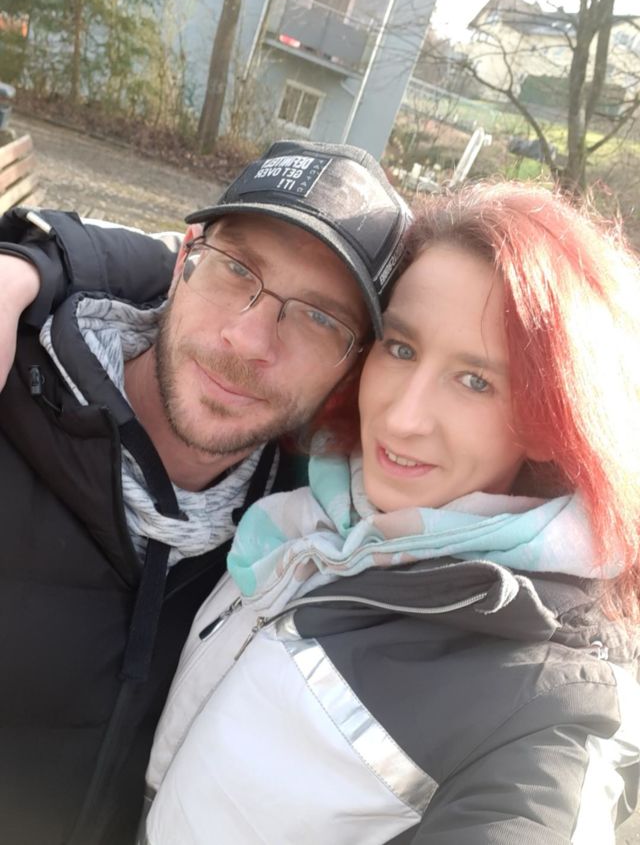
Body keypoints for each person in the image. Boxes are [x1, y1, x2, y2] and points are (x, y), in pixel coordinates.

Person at [134, 182, 639, 844]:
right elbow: (205, 268)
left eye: (476, 381)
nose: (402, 418)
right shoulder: (326, 494)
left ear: (551, 421)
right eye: (401, 347)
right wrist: (37, 258)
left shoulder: (543, 707)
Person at [0, 139, 409, 845]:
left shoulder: (304, 534)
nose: (249, 339)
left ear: (351, 370)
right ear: (183, 262)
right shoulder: (13, 387)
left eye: (319, 317)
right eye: (236, 269)